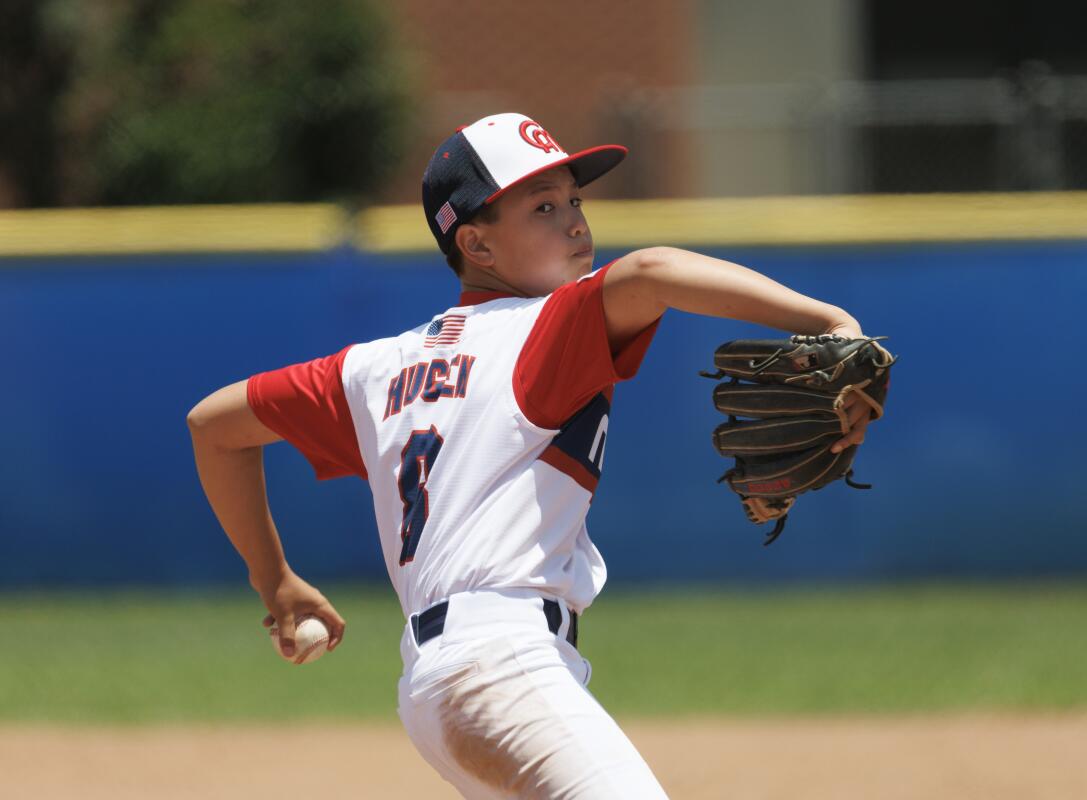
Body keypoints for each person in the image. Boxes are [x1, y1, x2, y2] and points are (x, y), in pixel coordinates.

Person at [187, 112, 874, 798]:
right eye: (542, 207)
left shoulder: (372, 369)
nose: (575, 221)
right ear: (477, 244)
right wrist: (831, 324)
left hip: (447, 681)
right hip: (500, 666)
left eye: (574, 200)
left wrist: (273, 581)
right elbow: (652, 271)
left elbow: (213, 426)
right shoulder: (543, 325)